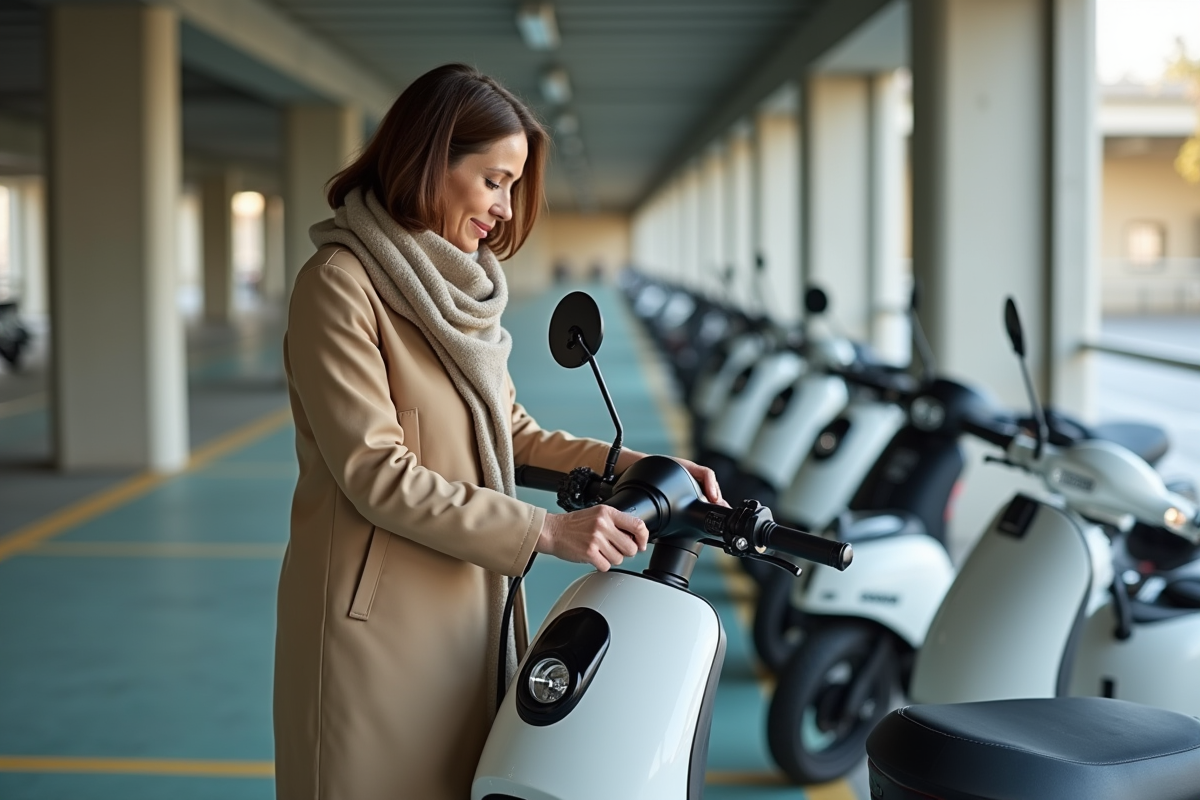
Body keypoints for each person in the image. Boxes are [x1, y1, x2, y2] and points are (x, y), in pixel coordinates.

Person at [273, 63, 724, 800]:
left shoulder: (459, 292)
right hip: (375, 632)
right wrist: (547, 533)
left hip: (472, 611)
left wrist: (638, 462)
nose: (507, 211)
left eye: (513, 187)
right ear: (429, 160)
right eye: (494, 181)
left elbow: (508, 429)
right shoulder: (340, 285)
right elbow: (375, 471)